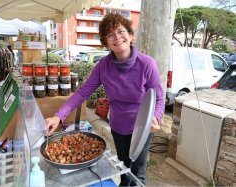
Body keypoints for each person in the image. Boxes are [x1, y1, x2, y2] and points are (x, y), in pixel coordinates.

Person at [46, 13, 165, 186]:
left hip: (142, 127)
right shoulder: (103, 66)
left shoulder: (147, 64)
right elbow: (82, 92)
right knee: (123, 167)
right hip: (118, 126)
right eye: (110, 34)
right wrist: (58, 116)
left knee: (138, 173)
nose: (117, 36)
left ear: (131, 35)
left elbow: (159, 98)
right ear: (105, 42)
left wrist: (156, 116)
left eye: (121, 31)